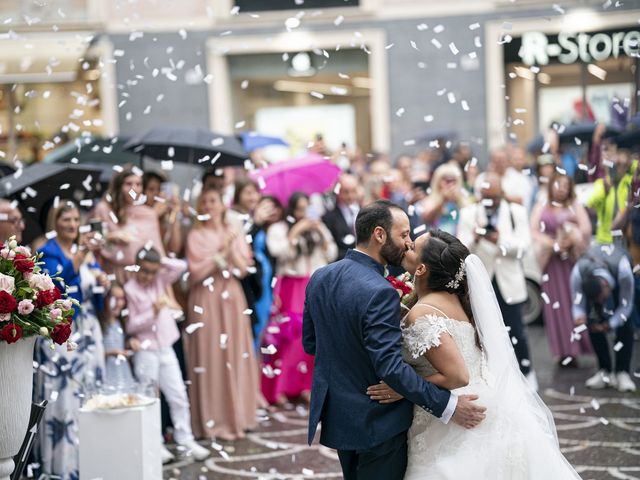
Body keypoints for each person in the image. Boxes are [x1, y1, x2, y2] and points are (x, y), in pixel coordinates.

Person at [366, 230, 581, 479]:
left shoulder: (423, 312)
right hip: (485, 397)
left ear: (422, 269)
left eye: (413, 247)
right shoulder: (459, 301)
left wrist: (404, 387)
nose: (407, 247)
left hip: (454, 412)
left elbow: (457, 375)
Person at [302, 200, 486, 480]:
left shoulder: (320, 277)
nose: (407, 243)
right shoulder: (380, 291)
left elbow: (312, 344)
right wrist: (449, 406)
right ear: (379, 234)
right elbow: (390, 367)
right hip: (379, 421)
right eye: (403, 235)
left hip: (339, 417)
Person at [33, 201, 106, 480]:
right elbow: (57, 287)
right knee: (64, 398)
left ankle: (90, 461)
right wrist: (82, 256)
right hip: (63, 332)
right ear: (55, 222)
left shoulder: (88, 254)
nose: (72, 225)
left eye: (76, 219)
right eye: (66, 219)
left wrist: (103, 282)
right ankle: (62, 468)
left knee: (89, 394)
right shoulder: (47, 251)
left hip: (89, 330)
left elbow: (94, 294)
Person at [185, 188, 260, 440]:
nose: (208, 205)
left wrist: (231, 249)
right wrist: (221, 255)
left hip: (231, 296)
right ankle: (213, 419)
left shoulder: (232, 232)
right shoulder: (195, 235)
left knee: (235, 352)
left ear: (221, 205)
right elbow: (196, 273)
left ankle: (240, 415)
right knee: (211, 355)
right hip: (205, 299)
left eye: (213, 201)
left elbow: (244, 269)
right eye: (204, 201)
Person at [125, 246, 210, 462]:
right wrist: (151, 312)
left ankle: (186, 440)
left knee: (179, 395)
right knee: (151, 399)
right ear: (137, 267)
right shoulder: (129, 289)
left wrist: (159, 260)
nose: (148, 276)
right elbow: (131, 325)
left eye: (152, 271)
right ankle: (156, 444)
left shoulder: (159, 281)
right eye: (144, 270)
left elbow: (181, 266)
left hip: (166, 346)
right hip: (145, 350)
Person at [457, 173, 536, 386]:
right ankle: (490, 377)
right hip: (479, 283)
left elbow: (523, 248)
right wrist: (475, 237)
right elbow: (459, 249)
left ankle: (526, 374)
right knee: (480, 333)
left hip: (508, 283)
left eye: (494, 197)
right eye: (485, 197)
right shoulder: (468, 214)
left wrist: (498, 240)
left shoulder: (516, 212)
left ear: (502, 194)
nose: (490, 202)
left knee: (516, 331)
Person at [263, 192, 337, 405]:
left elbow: (330, 253)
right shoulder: (280, 229)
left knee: (312, 334)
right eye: (300, 209)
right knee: (289, 336)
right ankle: (279, 388)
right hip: (290, 285)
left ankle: (305, 386)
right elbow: (279, 252)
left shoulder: (318, 228)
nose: (304, 214)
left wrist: (320, 232)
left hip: (312, 282)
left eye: (307, 208)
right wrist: (296, 231)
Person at [530, 172, 593, 366]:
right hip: (551, 263)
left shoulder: (574, 205)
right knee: (554, 306)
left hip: (570, 263)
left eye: (565, 185)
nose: (561, 189)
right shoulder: (541, 205)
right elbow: (533, 230)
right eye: (558, 184)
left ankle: (575, 349)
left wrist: (571, 239)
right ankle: (561, 351)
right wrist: (552, 244)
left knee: (572, 302)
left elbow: (586, 229)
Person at [571, 244, 636, 392]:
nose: (600, 302)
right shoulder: (578, 272)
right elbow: (577, 303)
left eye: (601, 298)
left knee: (626, 323)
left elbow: (626, 306)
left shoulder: (623, 269)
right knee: (591, 320)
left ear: (606, 286)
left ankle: (622, 372)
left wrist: (611, 323)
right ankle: (604, 371)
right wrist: (580, 317)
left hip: (620, 283)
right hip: (592, 279)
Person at [91, 167, 167, 285]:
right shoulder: (104, 209)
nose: (134, 189)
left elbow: (158, 254)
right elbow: (93, 244)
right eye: (128, 184)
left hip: (141, 279)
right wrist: (111, 237)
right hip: (112, 277)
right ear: (118, 185)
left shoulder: (149, 214)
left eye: (138, 184)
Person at [251, 195, 283, 346]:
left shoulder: (279, 230)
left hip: (269, 281)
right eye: (266, 207)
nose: (271, 211)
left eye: (274, 207)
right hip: (256, 281)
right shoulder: (253, 227)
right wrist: (256, 223)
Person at [419, 163, 472, 236]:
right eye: (447, 181)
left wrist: (458, 200)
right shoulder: (430, 200)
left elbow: (470, 217)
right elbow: (426, 218)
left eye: (454, 181)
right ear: (438, 181)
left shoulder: (463, 199)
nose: (451, 185)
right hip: (437, 241)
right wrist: (443, 200)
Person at [99, 282, 135, 389]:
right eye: (115, 299)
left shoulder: (121, 322)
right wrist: (111, 353)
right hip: (105, 374)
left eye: (122, 299)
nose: (119, 303)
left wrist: (130, 343)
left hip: (122, 372)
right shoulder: (99, 324)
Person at [322, 173, 360, 261]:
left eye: (353, 191)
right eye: (346, 192)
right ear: (338, 192)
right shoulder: (329, 217)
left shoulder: (364, 211)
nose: (350, 196)